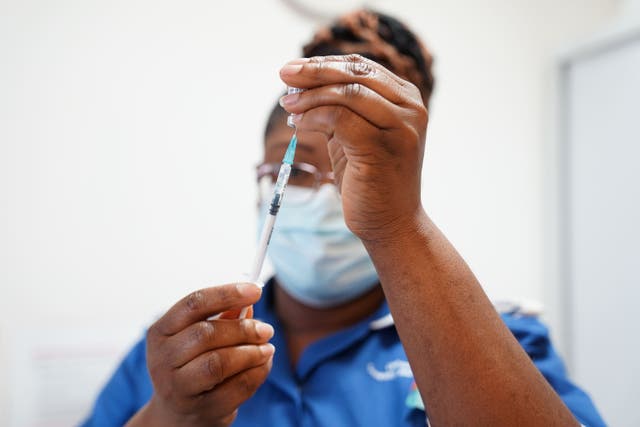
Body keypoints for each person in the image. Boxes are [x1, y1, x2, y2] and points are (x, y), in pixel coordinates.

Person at [82, 9, 605, 427]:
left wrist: (397, 226)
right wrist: (171, 416)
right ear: (264, 179)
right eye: (301, 172)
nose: (331, 197)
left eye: (356, 171)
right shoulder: (183, 355)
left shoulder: (497, 341)